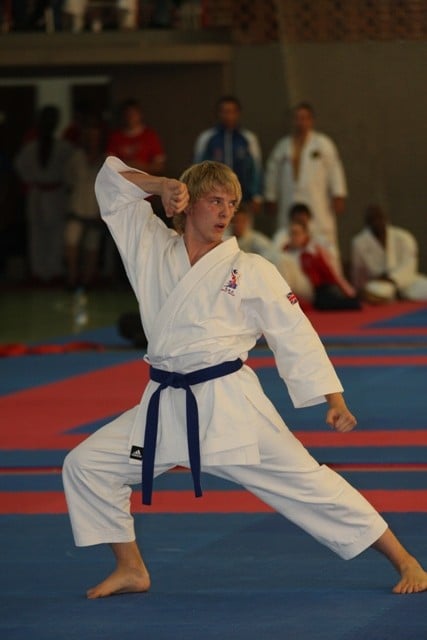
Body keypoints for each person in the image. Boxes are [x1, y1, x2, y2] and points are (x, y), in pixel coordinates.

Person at [62, 156, 427, 599]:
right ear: (187, 202)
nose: (225, 212)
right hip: (165, 405)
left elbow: (293, 333)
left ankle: (405, 559)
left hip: (230, 409)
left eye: (231, 204)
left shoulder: (251, 269)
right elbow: (111, 183)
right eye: (215, 201)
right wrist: (158, 184)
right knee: (87, 465)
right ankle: (131, 567)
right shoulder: (149, 246)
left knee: (310, 485)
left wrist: (333, 398)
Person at [264, 102, 347, 267]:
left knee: (323, 238)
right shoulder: (283, 146)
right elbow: (272, 172)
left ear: (311, 120)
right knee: (288, 238)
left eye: (304, 118)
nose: (300, 122)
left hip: (317, 202)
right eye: (297, 118)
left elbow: (335, 169)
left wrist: (338, 194)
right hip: (290, 201)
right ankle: (290, 276)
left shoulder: (323, 143)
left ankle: (331, 277)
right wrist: (270, 196)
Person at [14, 105, 74, 284]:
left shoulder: (65, 148)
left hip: (56, 193)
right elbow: (20, 167)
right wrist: (33, 181)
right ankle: (38, 271)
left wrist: (66, 186)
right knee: (36, 232)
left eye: (51, 120)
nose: (48, 123)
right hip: (37, 193)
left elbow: (71, 171)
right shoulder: (30, 148)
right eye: (45, 119)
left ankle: (55, 270)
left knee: (57, 232)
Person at [193, 95, 263, 213]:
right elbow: (197, 169)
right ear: (218, 113)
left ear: (238, 113)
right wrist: (198, 193)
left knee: (242, 225)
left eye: (232, 112)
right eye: (225, 112)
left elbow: (256, 169)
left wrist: (257, 196)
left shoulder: (248, 139)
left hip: (243, 198)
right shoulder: (206, 138)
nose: (228, 116)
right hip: (213, 197)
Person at [63, 116, 107, 290]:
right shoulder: (76, 158)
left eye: (95, 137)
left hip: (96, 211)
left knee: (92, 245)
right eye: (89, 136)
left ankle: (88, 281)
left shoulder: (105, 160)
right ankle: (72, 278)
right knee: (71, 241)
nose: (92, 140)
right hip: (76, 209)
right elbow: (68, 183)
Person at [351, 205, 427, 303]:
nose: (376, 222)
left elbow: (409, 265)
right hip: (379, 284)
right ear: (367, 223)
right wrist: (359, 289)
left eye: (379, 217)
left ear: (386, 218)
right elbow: (359, 273)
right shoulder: (359, 243)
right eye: (371, 219)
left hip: (407, 281)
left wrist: (392, 279)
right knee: (375, 291)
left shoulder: (403, 237)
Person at [283, 218, 361, 310]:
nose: (293, 237)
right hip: (293, 290)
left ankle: (295, 303)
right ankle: (293, 303)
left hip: (316, 289)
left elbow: (330, 272)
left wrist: (346, 290)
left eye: (297, 233)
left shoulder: (313, 251)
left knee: (329, 300)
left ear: (305, 234)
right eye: (291, 233)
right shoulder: (283, 252)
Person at [107, 98, 166, 174]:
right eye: (127, 114)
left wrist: (141, 167)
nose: (130, 117)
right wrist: (127, 166)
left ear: (140, 115)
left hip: (145, 179)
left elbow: (159, 166)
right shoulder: (115, 137)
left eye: (133, 114)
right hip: (121, 179)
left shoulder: (150, 136)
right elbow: (109, 164)